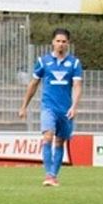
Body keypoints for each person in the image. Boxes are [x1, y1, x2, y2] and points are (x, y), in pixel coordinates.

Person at [18, 28, 83, 187]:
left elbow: (77, 85)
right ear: (53, 42)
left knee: (60, 142)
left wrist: (74, 106)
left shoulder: (74, 63)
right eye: (58, 41)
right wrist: (24, 106)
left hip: (65, 109)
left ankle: (54, 175)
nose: (60, 44)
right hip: (48, 107)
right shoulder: (43, 62)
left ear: (68, 43)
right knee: (48, 136)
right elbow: (33, 84)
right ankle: (49, 175)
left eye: (64, 41)